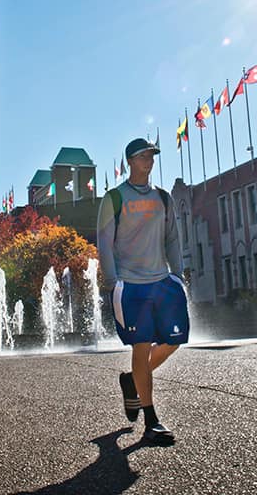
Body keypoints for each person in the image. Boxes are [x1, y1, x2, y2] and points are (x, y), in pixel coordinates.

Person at [97, 137, 189, 445]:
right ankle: (152, 420)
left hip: (162, 282)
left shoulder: (163, 198)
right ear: (129, 162)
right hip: (131, 284)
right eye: (142, 157)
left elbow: (173, 239)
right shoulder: (114, 198)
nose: (148, 161)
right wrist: (113, 282)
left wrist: (177, 275)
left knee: (175, 340)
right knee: (141, 344)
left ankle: (131, 380)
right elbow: (104, 242)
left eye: (151, 156)